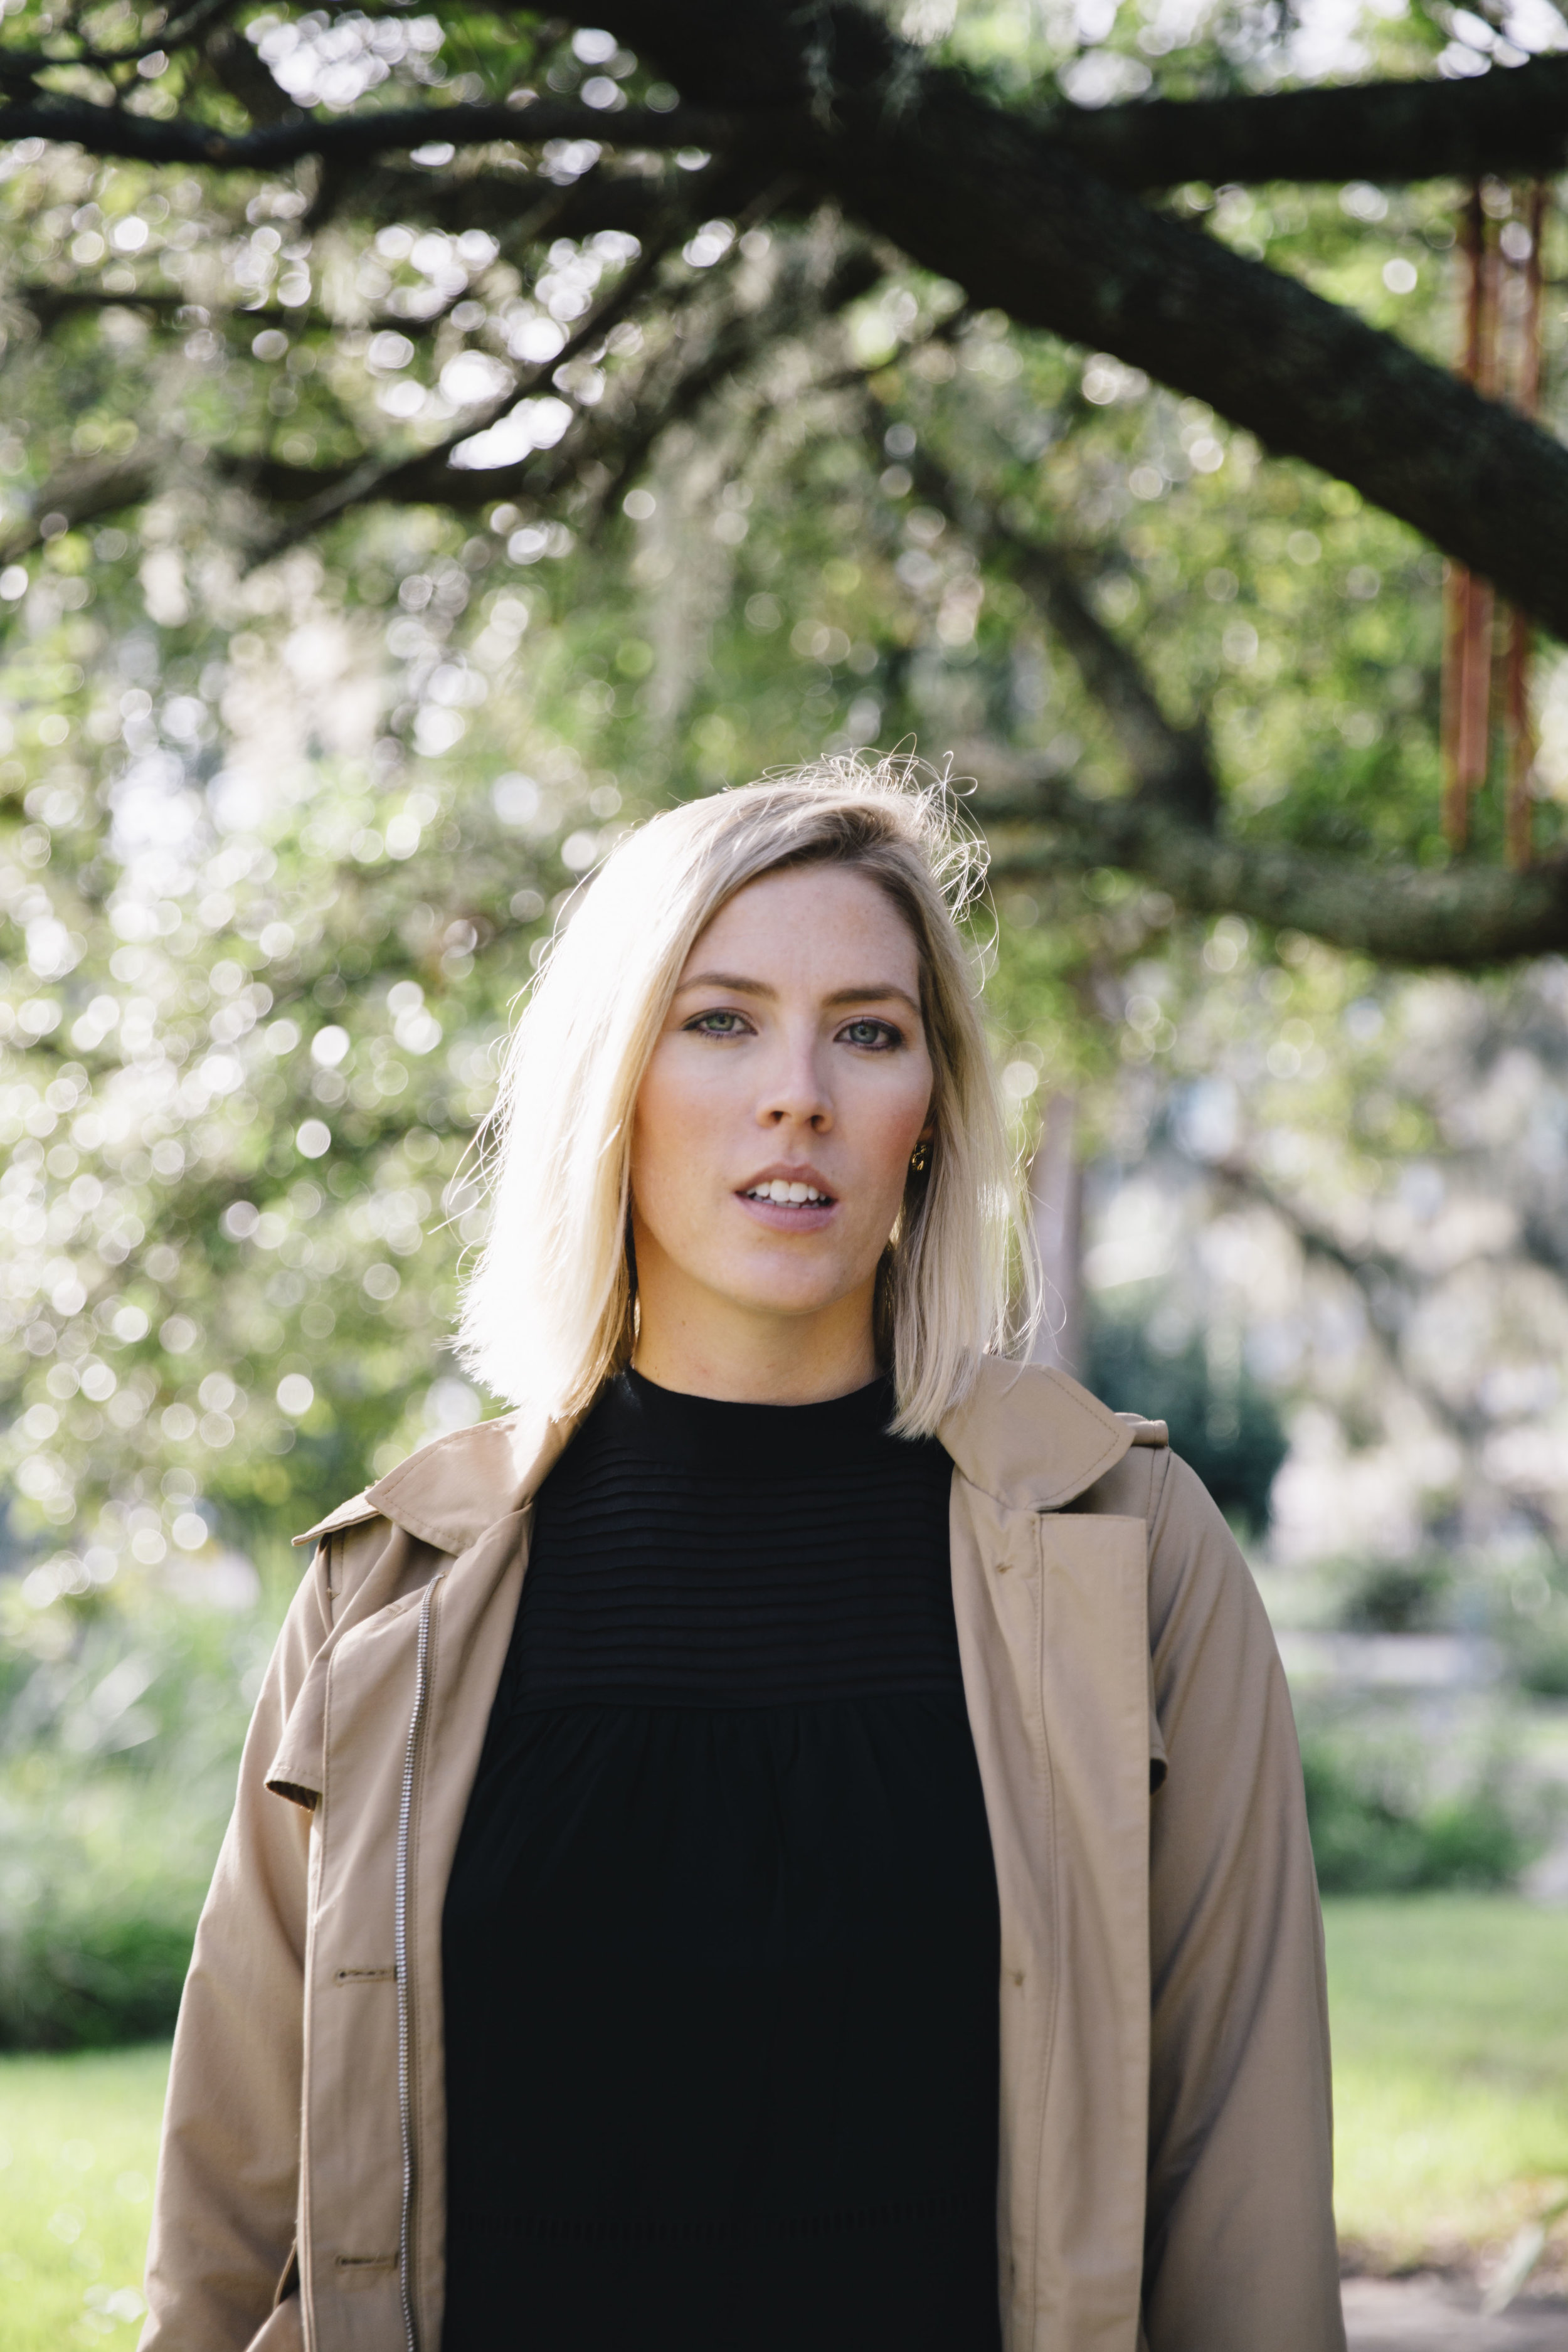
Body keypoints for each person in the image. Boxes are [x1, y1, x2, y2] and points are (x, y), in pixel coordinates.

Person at [139, 760, 1344, 2352]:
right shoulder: (397, 1587)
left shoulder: (1120, 1547)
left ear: (929, 1111)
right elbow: (230, 2212)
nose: (800, 1092)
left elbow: (1236, 2174)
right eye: (719, 1021)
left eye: (866, 1030)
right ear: (611, 1085)